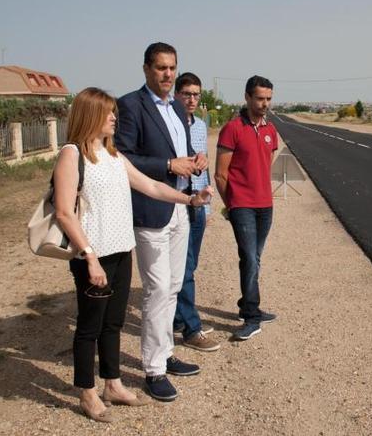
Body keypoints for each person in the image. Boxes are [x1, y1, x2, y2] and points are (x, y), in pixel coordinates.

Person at [53, 87, 212, 422]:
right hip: (93, 257)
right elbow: (65, 213)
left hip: (122, 250)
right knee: (89, 327)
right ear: (90, 115)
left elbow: (152, 186)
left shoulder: (113, 156)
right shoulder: (72, 154)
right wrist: (90, 257)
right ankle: (87, 393)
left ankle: (113, 384)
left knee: (113, 323)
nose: (114, 117)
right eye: (108, 112)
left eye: (114, 111)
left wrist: (191, 200)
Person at [114, 42, 208, 402]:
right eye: (161, 68)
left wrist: (191, 161)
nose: (167, 74)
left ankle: (166, 355)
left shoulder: (177, 110)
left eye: (172, 68)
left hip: (180, 208)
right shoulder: (131, 105)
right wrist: (170, 165)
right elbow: (124, 157)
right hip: (151, 212)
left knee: (172, 287)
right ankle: (153, 371)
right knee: (155, 291)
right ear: (146, 69)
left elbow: (175, 155)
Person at [215, 75, 279, 341]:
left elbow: (267, 163)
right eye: (260, 98)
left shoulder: (270, 130)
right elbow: (221, 174)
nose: (265, 104)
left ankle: (247, 305)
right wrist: (231, 205)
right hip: (242, 206)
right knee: (250, 258)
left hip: (266, 206)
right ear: (247, 98)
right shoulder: (232, 128)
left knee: (255, 258)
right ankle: (252, 317)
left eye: (268, 99)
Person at [172, 72, 221, 352]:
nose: (191, 99)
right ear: (177, 95)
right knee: (185, 266)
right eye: (186, 93)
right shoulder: (170, 124)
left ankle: (179, 318)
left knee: (190, 265)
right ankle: (192, 328)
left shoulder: (201, 126)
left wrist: (208, 204)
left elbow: (205, 164)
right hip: (179, 201)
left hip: (199, 203)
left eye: (196, 94)